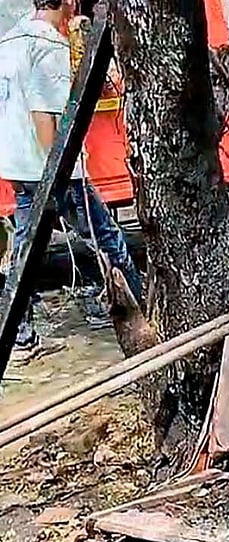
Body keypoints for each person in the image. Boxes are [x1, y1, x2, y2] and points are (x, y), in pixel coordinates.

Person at [0, 0, 144, 364]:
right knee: (107, 238)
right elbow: (43, 116)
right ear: (65, 2)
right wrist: (63, 166)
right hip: (49, 169)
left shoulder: (11, 40)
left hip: (18, 166)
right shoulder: (49, 46)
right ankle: (142, 311)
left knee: (25, 251)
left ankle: (19, 335)